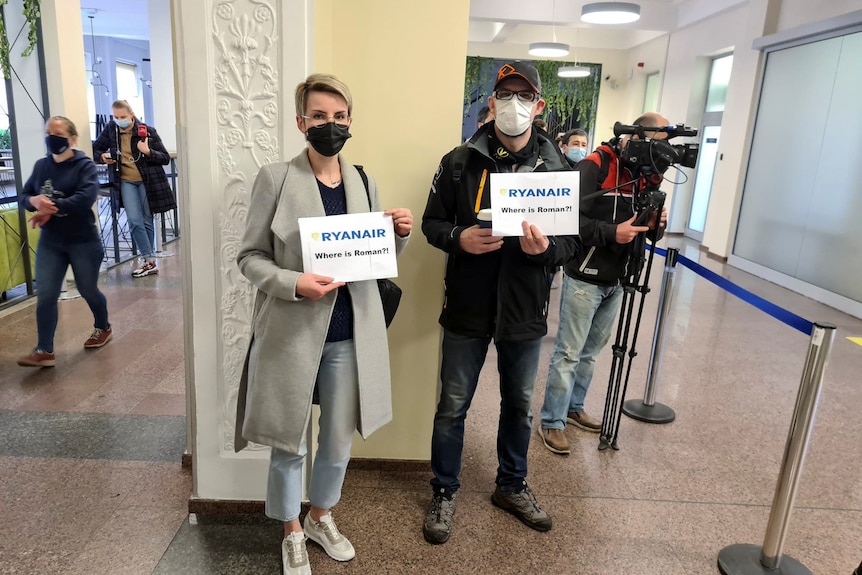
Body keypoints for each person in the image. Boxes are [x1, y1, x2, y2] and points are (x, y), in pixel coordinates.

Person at [234, 73, 412, 575]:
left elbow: (369, 260)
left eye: (338, 117)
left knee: (336, 439)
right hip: (293, 330)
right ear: (300, 122)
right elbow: (248, 257)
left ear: (349, 122)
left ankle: (320, 515)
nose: (329, 125)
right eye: (318, 116)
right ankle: (290, 529)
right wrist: (295, 282)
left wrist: (397, 235)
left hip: (349, 335)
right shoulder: (276, 179)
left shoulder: (363, 179)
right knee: (289, 436)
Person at [421, 61, 578, 544]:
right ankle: (444, 490)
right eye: (504, 95)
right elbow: (431, 223)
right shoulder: (457, 162)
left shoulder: (559, 167)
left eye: (523, 95)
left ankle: (511, 486)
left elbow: (571, 244)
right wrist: (458, 238)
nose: (513, 105)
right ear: (491, 102)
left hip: (524, 308)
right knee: (451, 405)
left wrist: (547, 252)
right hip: (467, 304)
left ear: (539, 104)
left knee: (519, 406)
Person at [539, 112, 669, 455]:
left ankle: (575, 407)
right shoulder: (595, 166)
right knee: (568, 353)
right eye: (652, 146)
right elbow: (567, 218)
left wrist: (656, 224)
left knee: (592, 354)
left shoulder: (647, 176)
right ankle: (552, 422)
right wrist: (613, 232)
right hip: (585, 275)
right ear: (633, 138)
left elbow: (645, 232)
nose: (655, 156)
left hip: (621, 277)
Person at [16, 116, 112, 367]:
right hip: (52, 241)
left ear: (72, 139)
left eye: (58, 134)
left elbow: (85, 198)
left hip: (83, 240)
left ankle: (103, 326)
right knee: (46, 293)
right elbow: (25, 195)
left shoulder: (85, 167)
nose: (52, 139)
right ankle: (44, 349)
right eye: (48, 133)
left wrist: (51, 207)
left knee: (87, 289)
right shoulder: (41, 166)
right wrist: (34, 202)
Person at [93, 100, 175, 278]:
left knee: (146, 220)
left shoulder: (147, 131)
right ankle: (149, 259)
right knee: (134, 220)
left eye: (122, 116)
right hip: (125, 181)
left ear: (131, 114)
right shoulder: (111, 130)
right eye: (116, 117)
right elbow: (95, 149)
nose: (119, 120)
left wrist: (147, 151)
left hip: (147, 181)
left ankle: (148, 262)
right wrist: (103, 157)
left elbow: (165, 158)